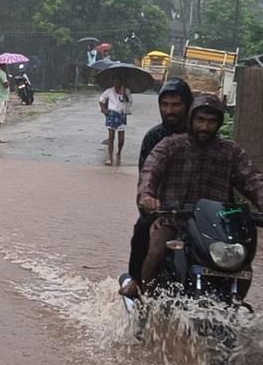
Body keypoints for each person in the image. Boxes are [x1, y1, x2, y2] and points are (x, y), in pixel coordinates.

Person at [123, 94, 263, 297]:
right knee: (155, 252)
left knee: (243, 268)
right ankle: (145, 303)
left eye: (211, 121)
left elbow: (253, 180)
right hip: (174, 220)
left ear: (219, 123)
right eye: (200, 120)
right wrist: (147, 195)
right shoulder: (171, 145)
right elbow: (150, 170)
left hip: (215, 228)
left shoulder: (231, 152)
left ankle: (234, 309)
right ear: (191, 120)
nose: (205, 127)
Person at [119, 78, 193, 297]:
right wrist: (149, 199)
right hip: (164, 208)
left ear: (188, 105)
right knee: (142, 229)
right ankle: (137, 282)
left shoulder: (201, 133)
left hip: (200, 209)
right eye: (165, 104)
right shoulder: (155, 137)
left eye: (176, 104)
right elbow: (146, 174)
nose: (169, 110)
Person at [99, 76, 132, 166]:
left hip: (121, 115)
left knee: (121, 139)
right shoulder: (109, 91)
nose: (116, 82)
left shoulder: (126, 91)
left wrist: (124, 94)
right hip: (112, 114)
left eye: (118, 80)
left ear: (121, 81)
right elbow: (101, 100)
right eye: (115, 80)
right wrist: (104, 110)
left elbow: (130, 102)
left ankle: (119, 152)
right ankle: (110, 157)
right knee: (111, 137)